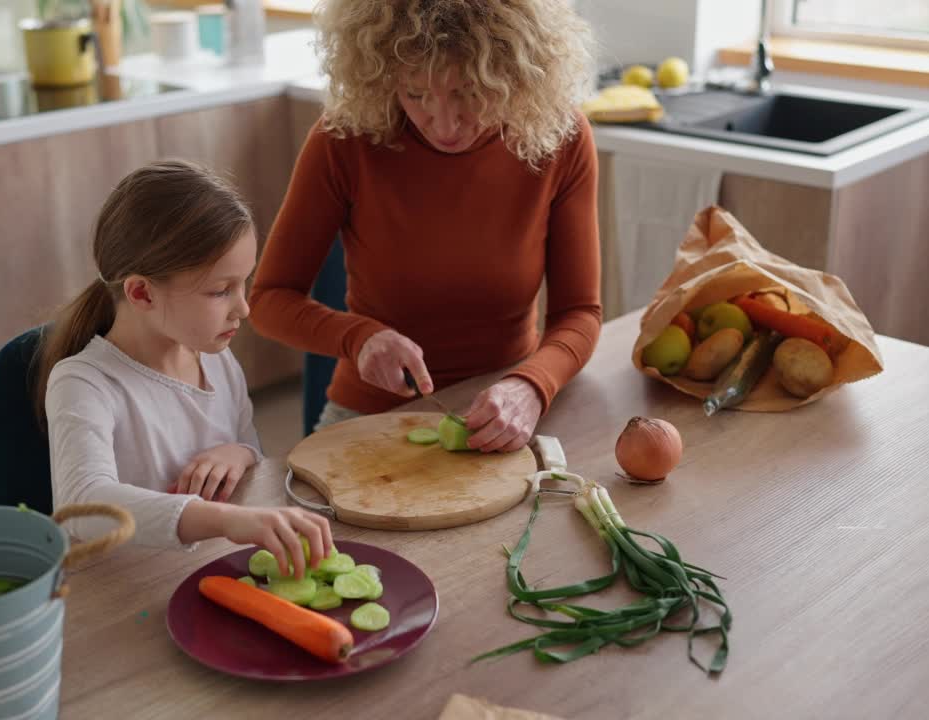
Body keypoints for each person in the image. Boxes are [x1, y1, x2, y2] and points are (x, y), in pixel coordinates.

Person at [249, 0, 603, 454]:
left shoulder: (561, 138)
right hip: (372, 414)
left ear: (512, 74)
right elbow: (269, 300)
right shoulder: (343, 140)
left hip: (507, 408)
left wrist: (531, 386)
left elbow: (579, 313)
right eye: (416, 95)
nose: (445, 125)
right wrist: (359, 338)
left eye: (469, 94)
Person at [37, 160, 330, 576]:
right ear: (141, 293)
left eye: (243, 283)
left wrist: (239, 452)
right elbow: (83, 503)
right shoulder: (83, 383)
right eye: (220, 291)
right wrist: (225, 520)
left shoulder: (217, 360)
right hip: (119, 597)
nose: (243, 308)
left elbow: (251, 453)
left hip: (202, 571)